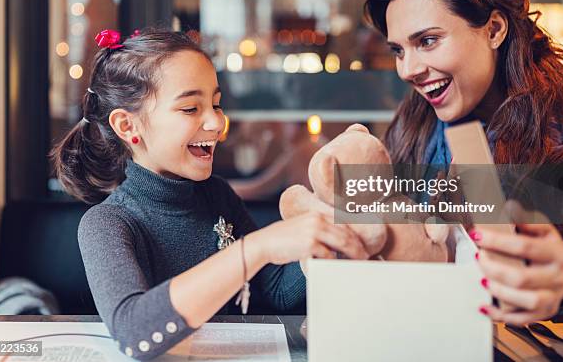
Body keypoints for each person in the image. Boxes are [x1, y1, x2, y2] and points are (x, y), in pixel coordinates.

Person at [51, 29, 368, 360]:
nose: (217, 122)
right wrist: (256, 248)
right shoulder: (107, 223)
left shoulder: (216, 195)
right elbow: (136, 333)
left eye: (216, 104)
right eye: (190, 108)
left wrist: (325, 234)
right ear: (128, 126)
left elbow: (276, 291)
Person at [365, 0, 563, 324]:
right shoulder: (414, 126)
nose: (408, 69)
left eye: (427, 41)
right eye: (399, 50)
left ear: (494, 29)